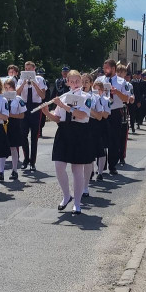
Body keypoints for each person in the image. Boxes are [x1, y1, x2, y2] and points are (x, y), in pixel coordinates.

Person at [42, 69, 91, 215]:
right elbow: (58, 118)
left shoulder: (86, 97)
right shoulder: (63, 97)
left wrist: (64, 106)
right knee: (59, 166)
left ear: (81, 82)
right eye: (72, 81)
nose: (75, 84)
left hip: (79, 132)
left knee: (77, 169)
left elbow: (82, 115)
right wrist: (46, 112)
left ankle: (77, 203)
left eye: (77, 81)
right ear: (67, 82)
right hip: (63, 131)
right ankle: (66, 195)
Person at [95, 59, 128, 175]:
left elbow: (126, 99)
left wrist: (117, 92)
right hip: (102, 112)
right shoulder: (99, 80)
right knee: (100, 139)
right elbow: (93, 94)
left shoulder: (122, 81)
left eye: (107, 68)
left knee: (114, 140)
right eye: (104, 68)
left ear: (113, 69)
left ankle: (112, 165)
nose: (105, 70)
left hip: (115, 112)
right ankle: (101, 166)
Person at [15, 61, 46, 172]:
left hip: (35, 107)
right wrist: (23, 83)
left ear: (34, 69)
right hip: (24, 106)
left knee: (34, 136)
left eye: (29, 69)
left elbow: (43, 95)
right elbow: (17, 94)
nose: (27, 70)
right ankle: (26, 159)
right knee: (23, 134)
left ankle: (33, 162)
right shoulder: (20, 80)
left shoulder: (40, 79)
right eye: (26, 69)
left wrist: (34, 83)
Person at [3, 78, 26, 180]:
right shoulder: (2, 98)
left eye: (9, 88)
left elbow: (22, 115)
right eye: (5, 88)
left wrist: (11, 115)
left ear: (13, 88)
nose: (7, 90)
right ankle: (0, 171)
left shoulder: (18, 99)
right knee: (2, 148)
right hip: (3, 124)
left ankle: (14, 170)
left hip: (14, 123)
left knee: (13, 148)